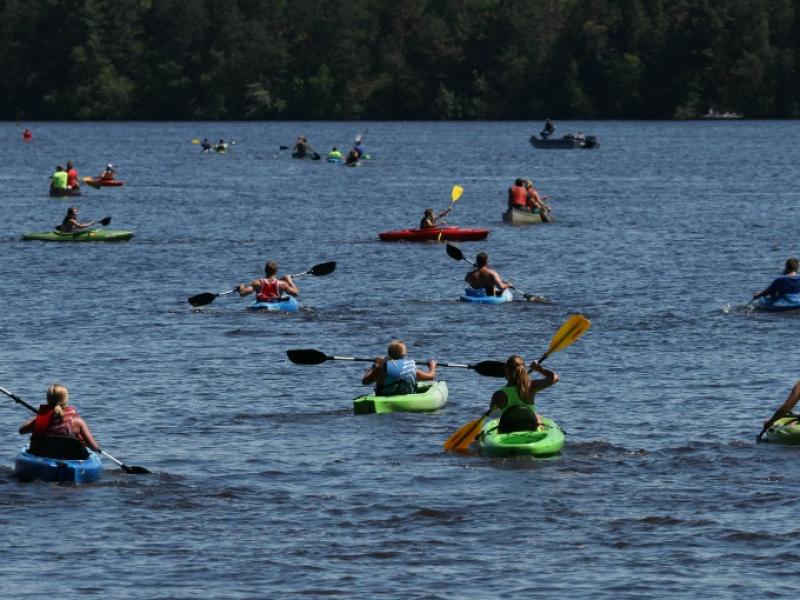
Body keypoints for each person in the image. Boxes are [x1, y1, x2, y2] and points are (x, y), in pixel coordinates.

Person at [18, 384, 100, 455]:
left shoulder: (40, 419)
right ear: (66, 399)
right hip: (71, 458)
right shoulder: (78, 422)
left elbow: (21, 431)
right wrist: (94, 447)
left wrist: (39, 416)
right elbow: (94, 447)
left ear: (48, 400)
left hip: (44, 456)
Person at [489, 355, 559, 433]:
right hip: (532, 428)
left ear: (506, 370)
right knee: (537, 416)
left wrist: (494, 404)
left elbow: (493, 409)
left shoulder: (498, 394)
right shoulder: (532, 386)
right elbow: (555, 378)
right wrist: (539, 369)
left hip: (508, 430)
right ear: (524, 370)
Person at [361, 340, 437, 396]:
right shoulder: (409, 368)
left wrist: (375, 366)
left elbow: (365, 381)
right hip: (406, 399)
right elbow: (431, 376)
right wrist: (432, 366)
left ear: (389, 353)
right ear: (405, 353)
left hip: (384, 397)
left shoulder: (381, 369)